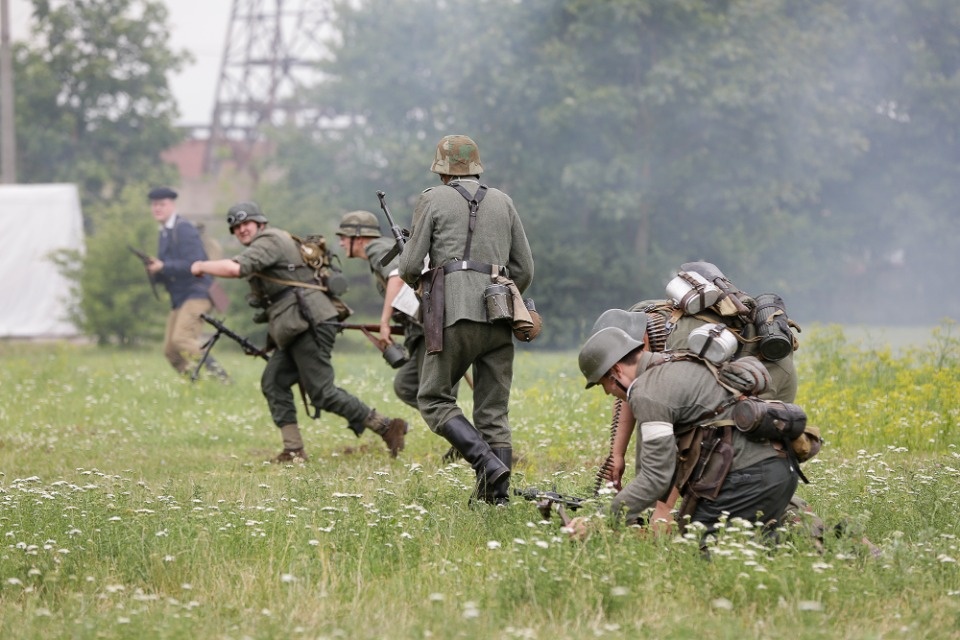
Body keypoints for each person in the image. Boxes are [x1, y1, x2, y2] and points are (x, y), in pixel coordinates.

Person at [190, 201, 408, 463]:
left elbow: (236, 269)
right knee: (274, 381)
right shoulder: (269, 241)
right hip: (297, 325)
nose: (241, 230)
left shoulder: (270, 239)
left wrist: (201, 266)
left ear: (260, 224)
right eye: (236, 227)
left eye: (246, 223)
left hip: (310, 322)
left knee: (323, 392)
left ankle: (386, 427)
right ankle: (294, 450)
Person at [398, 134, 534, 504]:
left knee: (433, 398)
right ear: (476, 166)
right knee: (493, 410)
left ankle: (485, 463)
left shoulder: (432, 198)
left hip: (451, 312)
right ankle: (497, 498)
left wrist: (421, 287)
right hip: (500, 314)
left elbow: (410, 264)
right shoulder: (504, 202)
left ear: (441, 169)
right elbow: (524, 268)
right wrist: (501, 295)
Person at [575, 326, 800, 542]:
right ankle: (816, 537)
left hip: (746, 478)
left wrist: (601, 520)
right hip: (778, 469)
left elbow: (655, 477)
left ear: (615, 370)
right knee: (767, 550)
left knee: (702, 553)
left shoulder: (647, 392)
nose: (607, 393)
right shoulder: (676, 360)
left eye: (603, 384)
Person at [335, 210, 424, 409]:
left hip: (429, 329)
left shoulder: (376, 247)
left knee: (431, 393)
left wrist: (384, 322)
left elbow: (396, 276)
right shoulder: (382, 249)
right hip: (421, 329)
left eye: (344, 237)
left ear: (359, 238)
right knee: (406, 386)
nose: (341, 243)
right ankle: (462, 436)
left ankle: (467, 439)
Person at [145, 186, 229, 381]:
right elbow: (171, 269)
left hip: (197, 293)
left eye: (162, 204)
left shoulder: (183, 228)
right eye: (154, 205)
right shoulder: (165, 232)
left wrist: (163, 266)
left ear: (172, 205)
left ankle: (222, 378)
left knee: (182, 340)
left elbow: (194, 263)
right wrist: (156, 270)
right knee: (170, 351)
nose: (157, 208)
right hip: (181, 297)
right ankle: (197, 384)